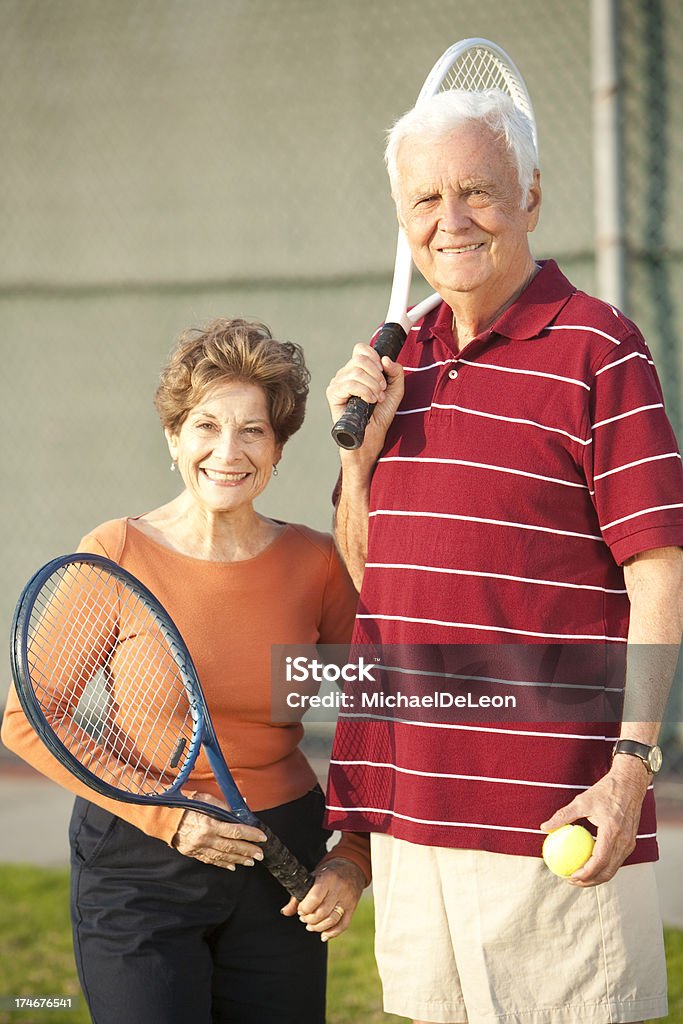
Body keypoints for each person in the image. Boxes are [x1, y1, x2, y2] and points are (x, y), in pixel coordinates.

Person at [325, 89, 683, 1024]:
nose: (450, 221)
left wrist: (629, 769)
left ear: (529, 195)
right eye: (424, 201)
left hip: (550, 809)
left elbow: (658, 569)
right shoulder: (401, 368)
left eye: (477, 191)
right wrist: (358, 463)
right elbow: (374, 582)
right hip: (416, 808)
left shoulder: (600, 347)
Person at [2, 317, 370, 1024]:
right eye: (205, 426)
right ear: (174, 439)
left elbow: (377, 714)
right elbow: (29, 720)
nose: (226, 452)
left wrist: (352, 854)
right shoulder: (115, 551)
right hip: (139, 861)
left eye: (253, 431)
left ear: (279, 447)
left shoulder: (316, 564)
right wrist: (165, 817)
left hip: (283, 855)